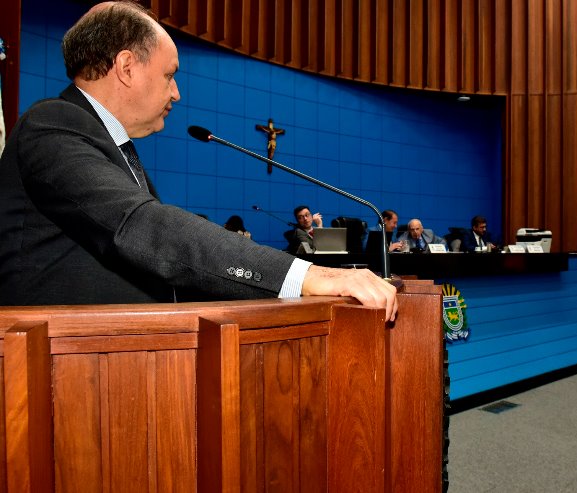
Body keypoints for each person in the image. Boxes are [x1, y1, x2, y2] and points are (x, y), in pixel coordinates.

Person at [0, 2, 397, 321]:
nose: (177, 93)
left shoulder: (107, 143)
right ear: (125, 67)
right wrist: (306, 275)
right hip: (62, 377)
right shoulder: (52, 125)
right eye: (170, 74)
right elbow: (142, 229)